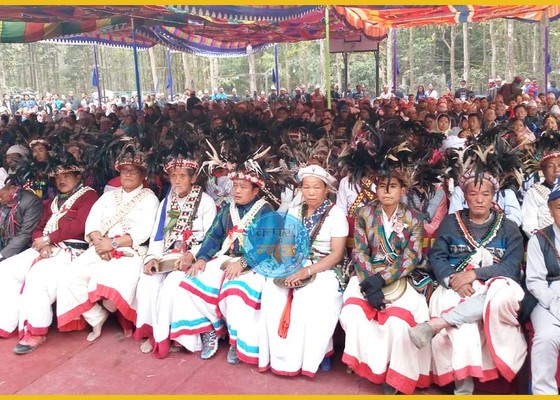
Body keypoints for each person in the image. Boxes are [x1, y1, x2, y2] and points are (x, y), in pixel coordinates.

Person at [409, 147, 527, 395]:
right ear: (465, 197)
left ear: (493, 196)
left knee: (501, 293)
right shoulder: (451, 222)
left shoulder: (508, 227)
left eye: (485, 194)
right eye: (473, 194)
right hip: (455, 284)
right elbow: (437, 256)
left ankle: (437, 324)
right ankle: (463, 389)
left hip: (493, 285)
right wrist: (453, 279)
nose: (480, 199)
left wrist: (474, 275)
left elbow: (510, 267)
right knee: (463, 325)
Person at [169, 143, 276, 364]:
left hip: (255, 265)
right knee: (189, 281)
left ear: (256, 190)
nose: (237, 191)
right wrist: (201, 258)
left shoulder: (267, 212)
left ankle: (237, 341)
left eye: (243, 187)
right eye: (235, 185)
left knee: (235, 291)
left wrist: (243, 263)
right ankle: (210, 329)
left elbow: (266, 246)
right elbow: (213, 236)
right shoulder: (228, 209)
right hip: (226, 258)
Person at [340, 160, 431, 395]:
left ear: (403, 190)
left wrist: (382, 280)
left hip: (402, 275)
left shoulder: (414, 217)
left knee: (398, 322)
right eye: (382, 186)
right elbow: (359, 251)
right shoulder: (364, 213)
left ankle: (395, 375)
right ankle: (365, 363)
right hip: (366, 272)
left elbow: (412, 255)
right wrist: (370, 283)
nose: (387, 191)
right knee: (353, 313)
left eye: (393, 186)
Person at [56, 147, 159, 341]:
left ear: (142, 175)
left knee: (108, 280)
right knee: (69, 277)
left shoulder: (150, 199)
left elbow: (143, 232)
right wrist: (100, 244)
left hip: (129, 249)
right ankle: (96, 317)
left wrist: (112, 244)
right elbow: (92, 224)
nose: (128, 174)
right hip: (100, 246)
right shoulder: (108, 196)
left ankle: (122, 317)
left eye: (133, 171)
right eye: (124, 170)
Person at [258, 164, 348, 377]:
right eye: (306, 187)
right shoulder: (295, 211)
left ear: (326, 189)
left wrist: (307, 272)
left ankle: (316, 355)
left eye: (316, 187)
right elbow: (286, 245)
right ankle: (281, 358)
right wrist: (291, 267)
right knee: (272, 290)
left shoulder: (336, 214)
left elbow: (337, 254)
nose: (311, 192)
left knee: (309, 296)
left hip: (324, 267)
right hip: (295, 263)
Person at [3, 155, 98, 353]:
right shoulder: (53, 201)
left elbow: (78, 226)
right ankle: (5, 322)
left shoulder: (89, 196)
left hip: (71, 250)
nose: (61, 180)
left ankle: (36, 331)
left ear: (78, 177)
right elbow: (38, 227)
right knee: (6, 269)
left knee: (38, 276)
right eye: (58, 177)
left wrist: (48, 239)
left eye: (66, 175)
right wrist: (42, 243)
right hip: (44, 247)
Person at [134, 151, 216, 358]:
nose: (177, 181)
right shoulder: (166, 203)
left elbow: (210, 238)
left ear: (193, 178)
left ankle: (171, 336)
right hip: (168, 256)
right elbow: (158, 236)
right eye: (173, 176)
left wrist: (191, 256)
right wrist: (152, 257)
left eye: (182, 176)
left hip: (193, 258)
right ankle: (154, 334)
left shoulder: (206, 202)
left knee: (171, 285)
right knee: (148, 281)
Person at [525, 181, 560, 394]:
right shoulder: (539, 239)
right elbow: (535, 282)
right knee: (546, 338)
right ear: (550, 209)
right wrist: (555, 305)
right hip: (547, 297)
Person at [522, 133, 560, 236]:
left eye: (559, 165)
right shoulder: (534, 193)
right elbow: (529, 224)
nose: (556, 170)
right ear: (543, 171)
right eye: (550, 166)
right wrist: (545, 241)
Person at [0, 175, 42, 264]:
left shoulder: (31, 202)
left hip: (23, 249)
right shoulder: (5, 201)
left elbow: (25, 235)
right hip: (5, 244)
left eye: (1, 195)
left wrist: (1, 255)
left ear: (12, 189)